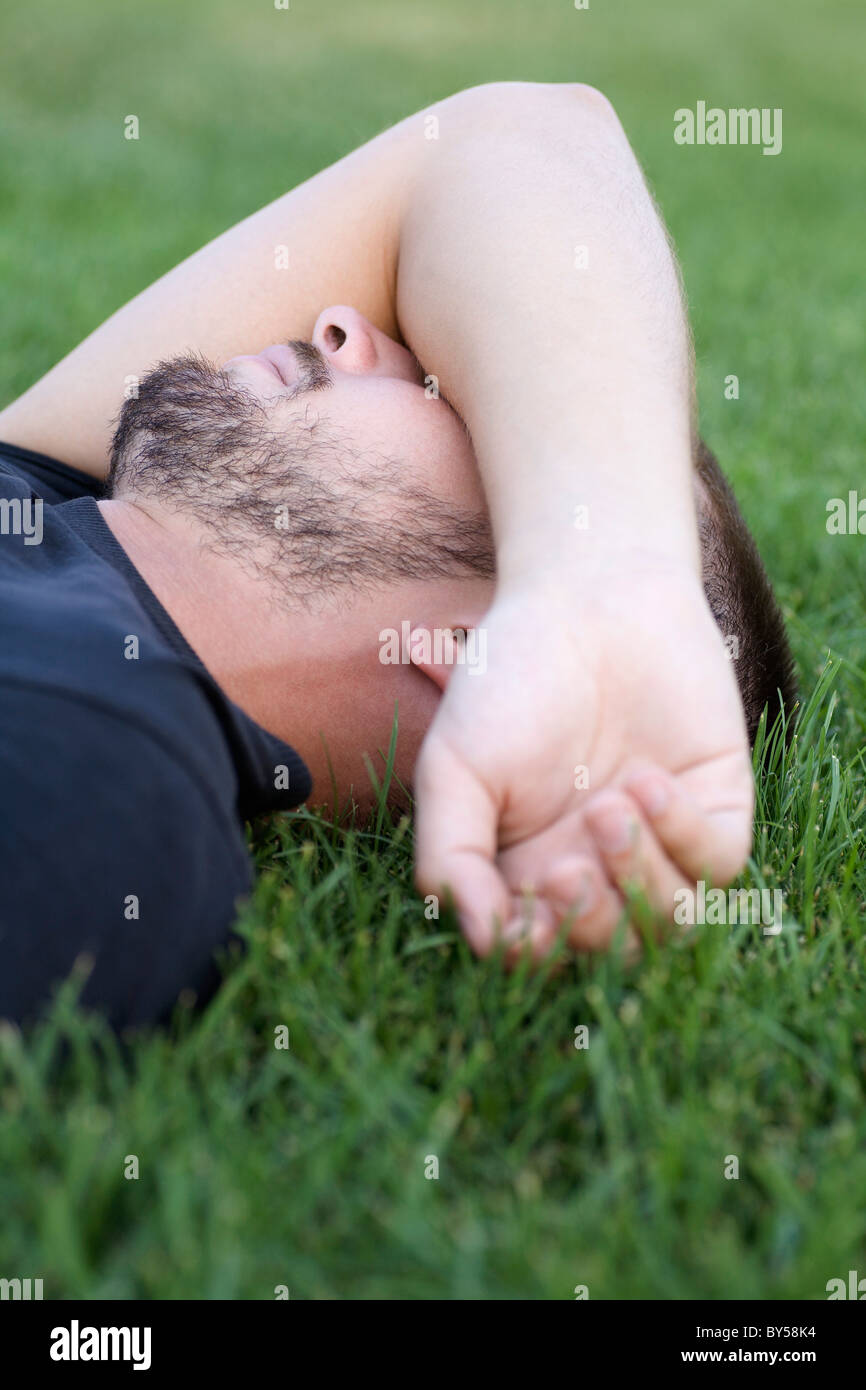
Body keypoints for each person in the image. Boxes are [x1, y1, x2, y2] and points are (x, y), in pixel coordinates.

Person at [0, 82, 794, 1028]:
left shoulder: (105, 774)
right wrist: (612, 569)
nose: (340, 324)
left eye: (438, 384)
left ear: (479, 649)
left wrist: (593, 607)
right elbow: (514, 139)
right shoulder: (41, 487)